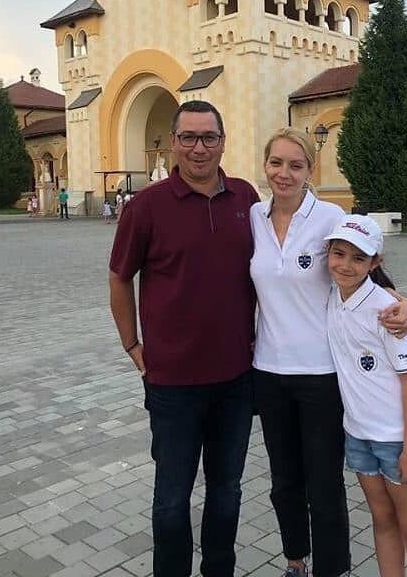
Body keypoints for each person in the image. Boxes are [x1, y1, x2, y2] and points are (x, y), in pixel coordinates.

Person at [250, 128, 407, 577]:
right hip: (268, 372)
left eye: (295, 165)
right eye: (276, 163)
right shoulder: (253, 217)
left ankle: (332, 568)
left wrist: (403, 302)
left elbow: (365, 271)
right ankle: (295, 561)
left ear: (310, 170)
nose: (284, 173)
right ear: (265, 165)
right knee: (284, 481)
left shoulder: (328, 217)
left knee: (323, 483)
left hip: (322, 374)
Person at [109, 100, 259, 577]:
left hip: (236, 380)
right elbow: (119, 276)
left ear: (223, 142)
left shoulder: (246, 198)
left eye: (209, 137)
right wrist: (132, 345)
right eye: (189, 137)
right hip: (172, 385)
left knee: (227, 491)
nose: (199, 148)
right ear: (173, 142)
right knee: (172, 499)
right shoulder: (145, 207)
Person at [324, 215, 407, 577]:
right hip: (358, 435)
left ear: (375, 263)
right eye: (339, 254)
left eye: (358, 258)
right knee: (382, 519)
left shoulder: (387, 312)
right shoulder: (332, 297)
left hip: (398, 440)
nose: (345, 265)